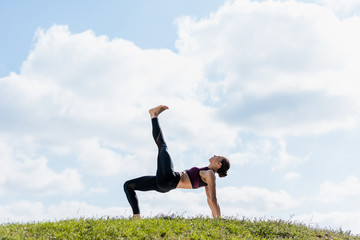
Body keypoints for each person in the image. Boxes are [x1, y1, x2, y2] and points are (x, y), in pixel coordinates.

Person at [123, 105, 230, 218]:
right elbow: (209, 198)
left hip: (170, 179)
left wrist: (218, 219)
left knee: (162, 146)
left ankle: (154, 115)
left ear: (219, 164)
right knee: (128, 185)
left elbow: (212, 198)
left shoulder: (210, 174)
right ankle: (136, 216)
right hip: (162, 185)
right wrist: (216, 219)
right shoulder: (208, 175)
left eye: (218, 156)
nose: (214, 155)